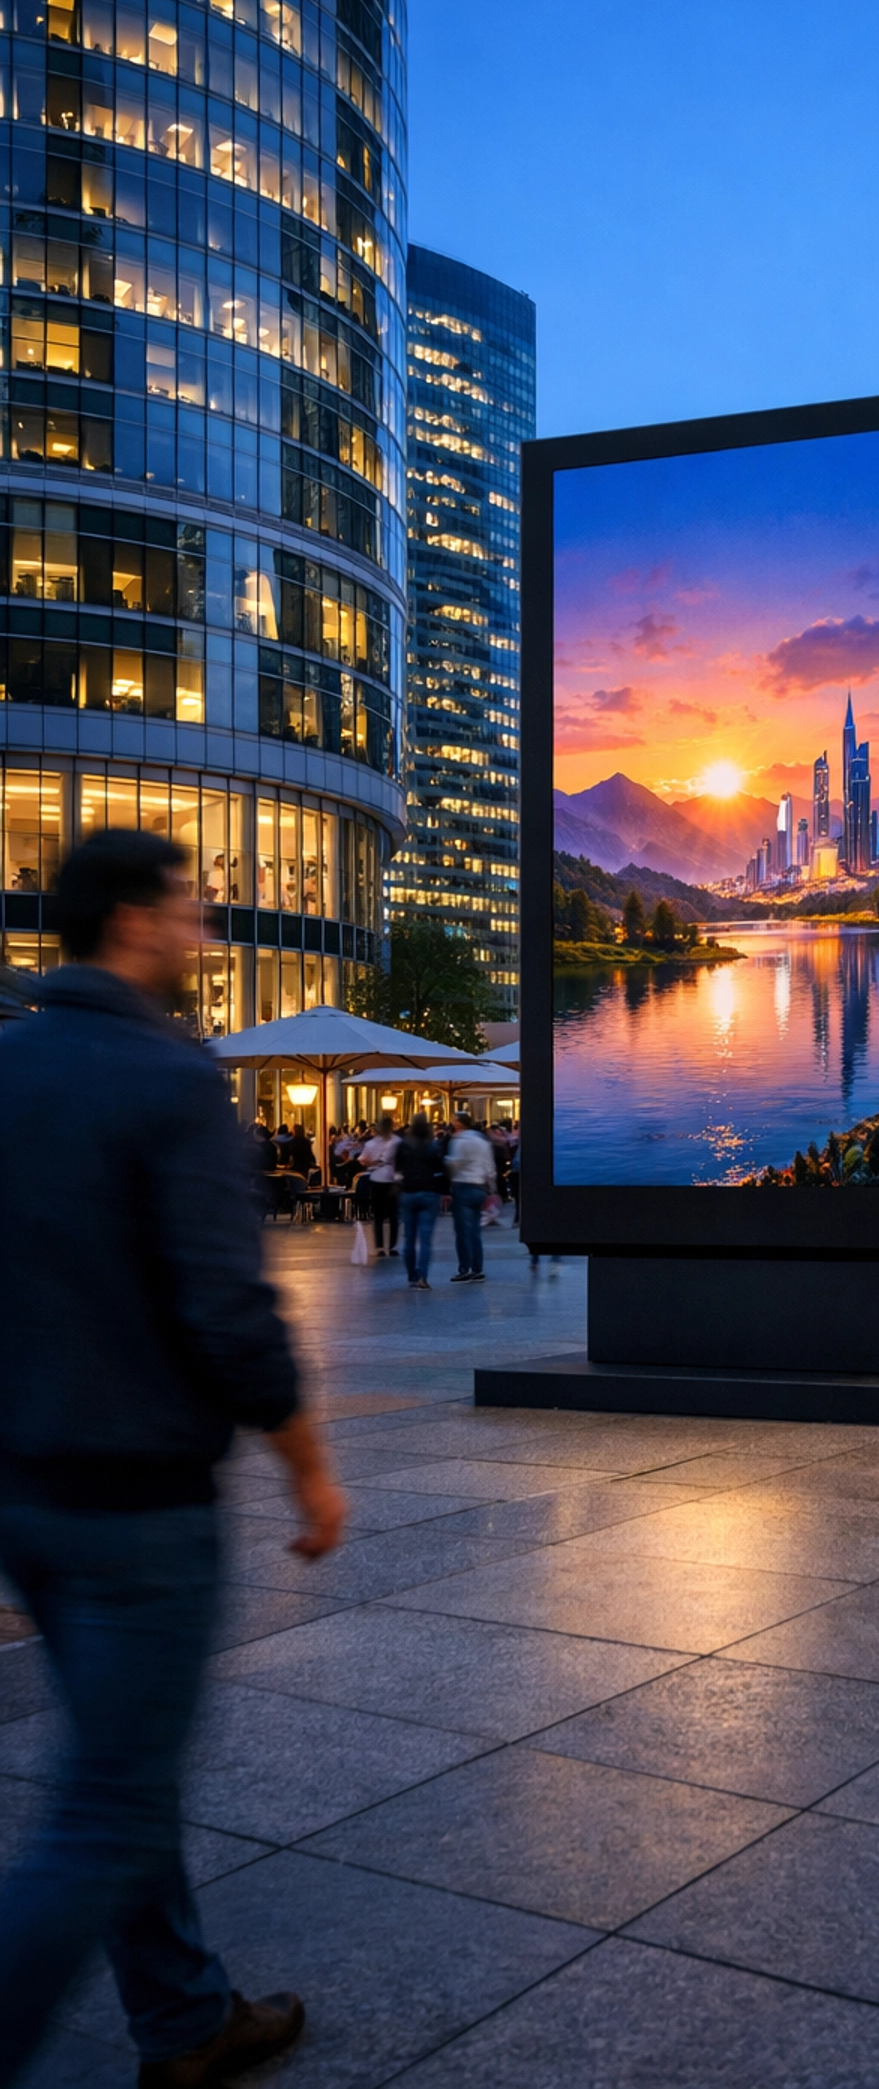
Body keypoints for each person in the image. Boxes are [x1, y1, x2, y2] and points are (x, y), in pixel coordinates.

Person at [0, 828, 348, 2088]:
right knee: (101, 1813)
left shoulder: (10, 1060)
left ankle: (187, 2019)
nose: (207, 937)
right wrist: (310, 1466)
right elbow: (229, 1310)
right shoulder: (168, 1078)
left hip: (24, 1493)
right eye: (194, 913)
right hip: (136, 1501)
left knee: (117, 1767)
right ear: (137, 923)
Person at [395, 1112, 446, 1288]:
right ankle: (423, 1275)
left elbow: (397, 1169)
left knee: (409, 1237)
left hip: (408, 1192)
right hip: (429, 1193)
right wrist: (444, 1191)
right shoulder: (433, 1146)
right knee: (426, 1238)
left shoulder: (403, 1145)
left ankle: (411, 1275)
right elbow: (441, 1170)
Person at [445, 1110, 495, 1282]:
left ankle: (464, 1268)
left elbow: (454, 1163)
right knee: (474, 1231)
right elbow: (490, 1168)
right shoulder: (482, 1141)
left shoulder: (459, 1141)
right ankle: (477, 1268)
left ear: (458, 1123)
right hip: (480, 1187)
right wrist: (491, 1189)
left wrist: (445, 1165)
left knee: (462, 1231)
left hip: (463, 1186)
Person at [358, 1120, 400, 1257]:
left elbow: (362, 1159)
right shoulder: (397, 1142)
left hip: (376, 1178)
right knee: (393, 1215)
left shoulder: (371, 1144)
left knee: (379, 1215)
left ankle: (380, 1246)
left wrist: (372, 1163)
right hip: (391, 1179)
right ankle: (392, 1246)